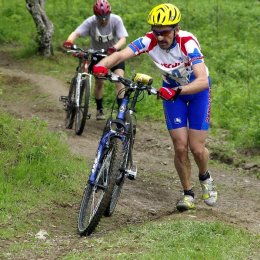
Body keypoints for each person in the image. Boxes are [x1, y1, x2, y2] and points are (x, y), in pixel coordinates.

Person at [92, 3, 218, 211]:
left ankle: (205, 177)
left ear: (176, 29)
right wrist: (102, 65)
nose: (160, 37)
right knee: (179, 146)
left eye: (165, 32)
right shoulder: (148, 41)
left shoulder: (187, 42)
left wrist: (177, 91)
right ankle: (188, 193)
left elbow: (203, 80)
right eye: (156, 32)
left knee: (196, 148)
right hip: (172, 92)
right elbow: (122, 55)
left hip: (196, 92)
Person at [63, 0, 128, 120]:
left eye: (105, 17)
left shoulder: (116, 20)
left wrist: (114, 48)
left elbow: (123, 39)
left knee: (119, 80)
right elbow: (76, 33)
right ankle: (99, 109)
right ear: (95, 16)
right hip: (97, 55)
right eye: (100, 18)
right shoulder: (90, 22)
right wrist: (69, 41)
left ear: (109, 14)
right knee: (99, 82)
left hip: (114, 54)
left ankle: (121, 113)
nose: (103, 21)